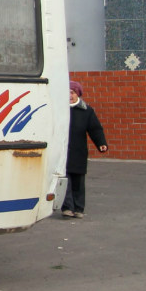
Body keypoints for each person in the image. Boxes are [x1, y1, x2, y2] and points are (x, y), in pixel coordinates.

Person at [63, 80, 109, 218]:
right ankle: (67, 208)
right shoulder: (60, 109)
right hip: (63, 152)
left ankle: (79, 208)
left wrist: (101, 143)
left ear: (78, 94)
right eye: (67, 93)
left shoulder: (86, 110)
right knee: (65, 182)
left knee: (78, 182)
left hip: (79, 152)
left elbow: (95, 129)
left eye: (72, 93)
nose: (70, 96)